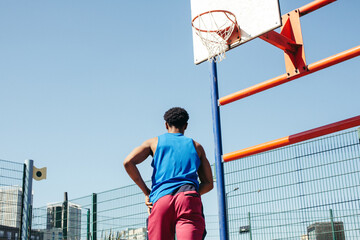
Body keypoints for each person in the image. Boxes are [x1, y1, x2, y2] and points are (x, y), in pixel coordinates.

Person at [123, 107, 213, 240]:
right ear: (186, 125)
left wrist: (147, 192)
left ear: (166, 124)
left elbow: (128, 162)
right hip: (188, 198)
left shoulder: (154, 143)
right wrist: (189, 193)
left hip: (161, 199)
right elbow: (209, 184)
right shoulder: (196, 146)